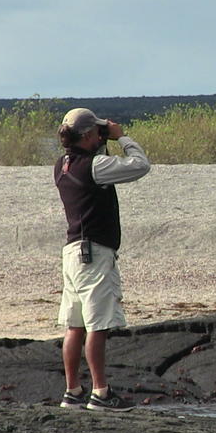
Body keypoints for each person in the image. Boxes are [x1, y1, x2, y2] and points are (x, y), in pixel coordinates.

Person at [53, 107, 150, 411]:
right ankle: (101, 393)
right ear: (88, 136)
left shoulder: (62, 165)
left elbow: (96, 166)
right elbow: (140, 166)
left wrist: (101, 139)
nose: (101, 134)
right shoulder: (95, 166)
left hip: (72, 251)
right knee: (97, 324)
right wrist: (123, 138)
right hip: (93, 253)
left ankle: (72, 391)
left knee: (74, 325)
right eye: (96, 131)